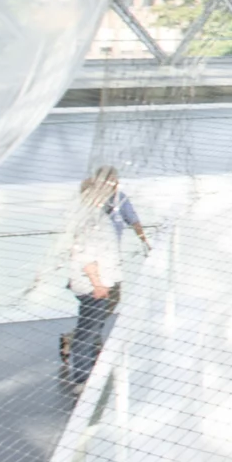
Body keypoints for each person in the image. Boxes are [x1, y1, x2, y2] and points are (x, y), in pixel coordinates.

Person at [62, 168, 146, 393]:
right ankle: (82, 377)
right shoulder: (90, 220)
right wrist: (97, 283)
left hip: (103, 279)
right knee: (89, 327)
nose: (114, 185)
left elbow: (132, 221)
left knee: (94, 322)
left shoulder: (103, 212)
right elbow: (85, 256)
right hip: (93, 284)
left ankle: (86, 365)